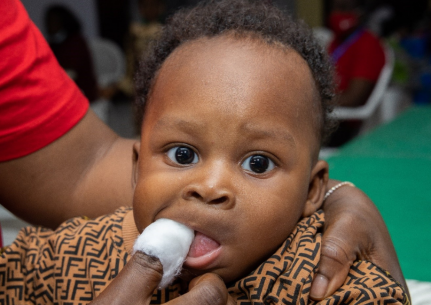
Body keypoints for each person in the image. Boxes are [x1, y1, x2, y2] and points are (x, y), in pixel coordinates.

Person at [0, 1, 409, 304]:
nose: (210, 187)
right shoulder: (70, 255)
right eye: (182, 154)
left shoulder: (322, 279)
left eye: (258, 163)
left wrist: (343, 196)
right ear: (137, 168)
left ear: (312, 190)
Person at [326, 0, 386, 147]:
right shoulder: (336, 42)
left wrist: (312, 103)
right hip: (329, 116)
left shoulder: (368, 44)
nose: (339, 14)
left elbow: (353, 98)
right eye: (336, 8)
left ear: (359, 12)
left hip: (348, 126)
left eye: (345, 8)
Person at [45, 5, 98, 102]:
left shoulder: (76, 42)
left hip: (82, 94)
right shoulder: (53, 44)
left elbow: (70, 72)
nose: (48, 25)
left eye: (52, 21)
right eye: (47, 21)